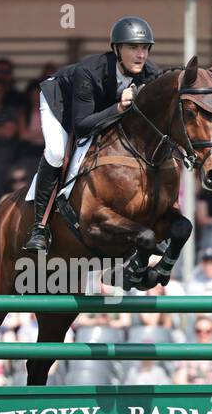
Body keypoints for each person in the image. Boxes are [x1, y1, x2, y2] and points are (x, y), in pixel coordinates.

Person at [23, 16, 163, 252]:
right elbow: (83, 126)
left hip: (97, 110)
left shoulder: (150, 73)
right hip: (61, 104)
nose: (141, 55)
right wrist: (119, 107)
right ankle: (40, 227)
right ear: (117, 49)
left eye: (144, 48)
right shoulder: (89, 72)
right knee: (57, 152)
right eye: (133, 48)